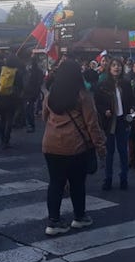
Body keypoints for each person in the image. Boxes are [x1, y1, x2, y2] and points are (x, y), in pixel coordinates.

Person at [42, 60, 106, 235]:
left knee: (55, 183)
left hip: (50, 145)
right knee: (77, 183)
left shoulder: (51, 95)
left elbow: (44, 117)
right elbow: (92, 125)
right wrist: (100, 148)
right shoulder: (83, 96)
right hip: (75, 146)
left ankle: (53, 221)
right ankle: (79, 217)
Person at [94, 57, 134, 190]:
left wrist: (131, 110)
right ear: (109, 68)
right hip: (109, 122)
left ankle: (124, 178)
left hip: (123, 121)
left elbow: (131, 100)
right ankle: (108, 179)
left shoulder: (126, 84)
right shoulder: (103, 84)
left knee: (123, 151)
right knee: (109, 152)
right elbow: (97, 102)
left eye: (119, 65)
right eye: (114, 65)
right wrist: (104, 110)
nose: (117, 68)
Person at [0, 54, 24, 149]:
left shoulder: (1, 70)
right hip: (12, 98)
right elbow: (21, 86)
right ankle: (6, 140)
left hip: (1, 97)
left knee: (2, 119)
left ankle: (1, 140)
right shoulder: (17, 72)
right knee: (9, 119)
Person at [23, 56, 44, 133]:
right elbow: (40, 82)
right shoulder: (38, 71)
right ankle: (30, 124)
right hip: (34, 92)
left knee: (29, 109)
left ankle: (30, 125)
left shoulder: (30, 71)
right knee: (30, 108)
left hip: (29, 93)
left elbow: (27, 82)